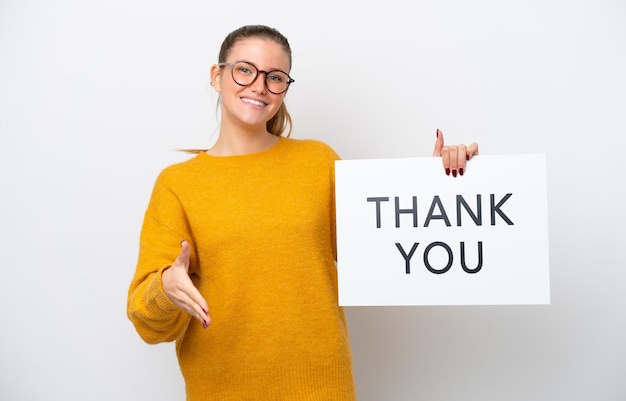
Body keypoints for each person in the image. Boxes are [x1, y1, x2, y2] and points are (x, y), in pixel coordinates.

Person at [127, 24, 479, 401]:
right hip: (222, 390)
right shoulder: (179, 185)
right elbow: (149, 326)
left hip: (322, 388)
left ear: (285, 88)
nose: (259, 86)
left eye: (274, 77)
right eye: (245, 70)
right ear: (217, 76)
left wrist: (441, 182)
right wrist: (165, 288)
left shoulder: (317, 163)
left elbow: (388, 247)